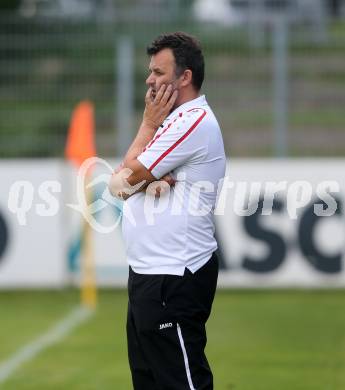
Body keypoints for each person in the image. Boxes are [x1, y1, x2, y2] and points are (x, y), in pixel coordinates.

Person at [109, 31, 226, 390]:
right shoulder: (172, 122)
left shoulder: (191, 120)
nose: (149, 80)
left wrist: (145, 125)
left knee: (182, 382)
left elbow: (125, 179)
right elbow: (119, 185)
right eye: (150, 72)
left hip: (174, 274)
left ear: (184, 77)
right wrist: (138, 178)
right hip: (148, 273)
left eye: (159, 72)